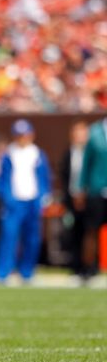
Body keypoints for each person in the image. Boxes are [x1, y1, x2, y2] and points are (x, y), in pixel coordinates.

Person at [0, 119, 51, 284]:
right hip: (14, 202)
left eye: (24, 135)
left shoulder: (38, 154)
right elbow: (1, 180)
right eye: (19, 135)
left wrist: (43, 197)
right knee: (9, 237)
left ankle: (27, 272)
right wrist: (7, 198)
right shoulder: (7, 154)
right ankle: (3, 272)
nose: (22, 138)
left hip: (32, 201)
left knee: (32, 238)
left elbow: (45, 178)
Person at [77, 116, 107, 283]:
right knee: (91, 231)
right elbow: (86, 163)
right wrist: (81, 188)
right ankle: (88, 268)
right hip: (97, 189)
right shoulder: (95, 132)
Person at [59, 121, 91, 280]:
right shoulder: (68, 153)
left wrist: (85, 194)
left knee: (89, 234)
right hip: (72, 200)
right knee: (73, 234)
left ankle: (90, 268)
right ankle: (76, 267)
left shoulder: (92, 153)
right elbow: (64, 177)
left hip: (90, 199)